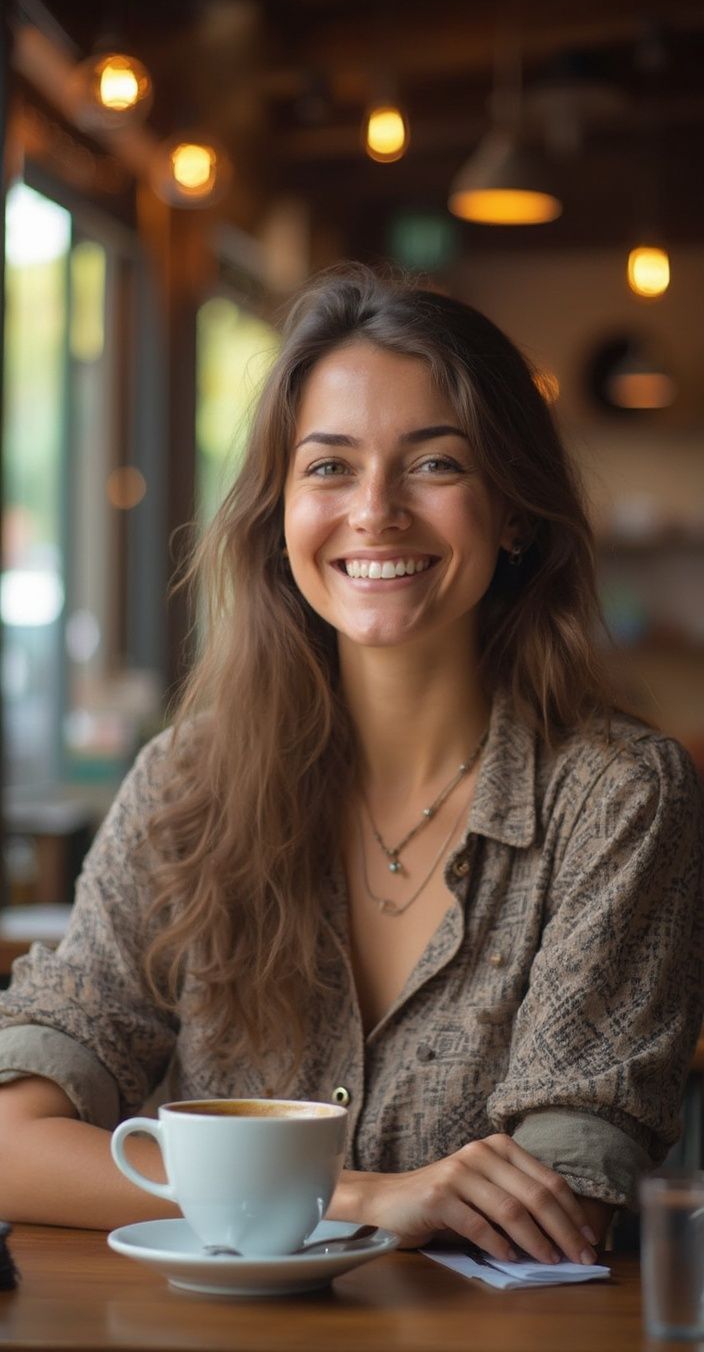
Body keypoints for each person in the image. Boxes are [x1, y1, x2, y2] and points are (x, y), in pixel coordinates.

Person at [0, 266, 701, 1265]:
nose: (375, 511)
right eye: (329, 466)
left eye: (435, 464)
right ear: (280, 512)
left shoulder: (618, 798)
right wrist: (366, 1195)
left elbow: (555, 1211)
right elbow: (10, 1141)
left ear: (512, 511)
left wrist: (247, 1193)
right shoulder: (186, 783)